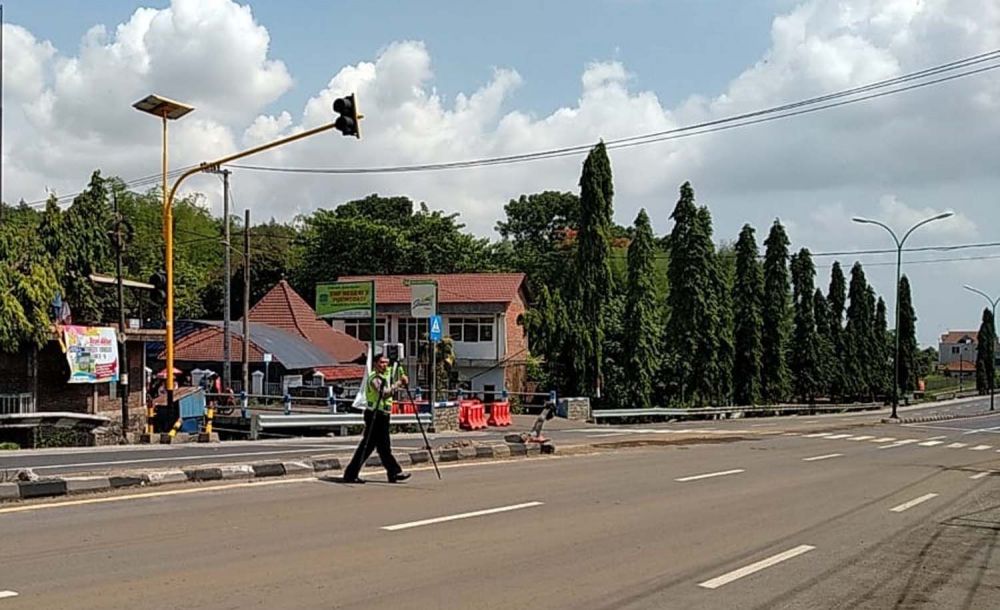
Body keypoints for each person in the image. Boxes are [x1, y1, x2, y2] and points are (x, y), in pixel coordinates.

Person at [342, 352, 412, 484]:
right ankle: (351, 474)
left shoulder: (386, 375)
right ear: (375, 364)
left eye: (386, 362)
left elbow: (398, 370)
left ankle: (393, 473)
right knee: (368, 445)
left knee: (383, 447)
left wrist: (403, 377)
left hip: (383, 415)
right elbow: (384, 394)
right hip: (374, 415)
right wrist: (398, 384)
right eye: (381, 362)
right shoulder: (374, 378)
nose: (384, 365)